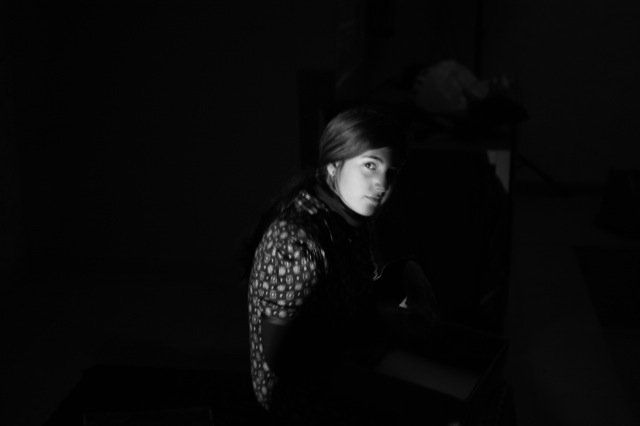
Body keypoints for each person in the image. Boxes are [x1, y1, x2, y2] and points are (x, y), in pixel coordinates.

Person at [245, 106, 447, 425]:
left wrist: (405, 272)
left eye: (391, 172)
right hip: (299, 398)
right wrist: (380, 324)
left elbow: (351, 293)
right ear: (333, 164)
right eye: (370, 165)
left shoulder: (348, 218)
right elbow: (284, 361)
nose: (381, 184)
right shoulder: (295, 242)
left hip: (341, 365)